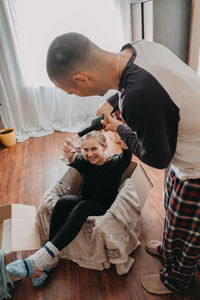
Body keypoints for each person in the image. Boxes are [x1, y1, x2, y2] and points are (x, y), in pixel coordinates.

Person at [44, 32, 200, 294]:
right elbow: (143, 86)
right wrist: (111, 101)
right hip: (182, 148)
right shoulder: (137, 49)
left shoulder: (139, 98)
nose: (77, 94)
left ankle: (176, 281)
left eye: (73, 91)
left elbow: (156, 159)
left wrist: (119, 129)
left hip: (195, 166)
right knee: (171, 214)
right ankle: (169, 250)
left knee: (187, 232)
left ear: (81, 79)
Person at [6, 131, 132, 286]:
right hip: (85, 200)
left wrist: (122, 133)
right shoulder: (86, 161)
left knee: (81, 207)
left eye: (94, 149)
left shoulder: (116, 164)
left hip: (103, 205)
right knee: (62, 202)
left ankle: (39, 259)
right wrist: (68, 153)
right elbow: (72, 159)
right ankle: (52, 258)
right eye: (85, 150)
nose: (90, 154)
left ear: (104, 147)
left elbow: (127, 154)